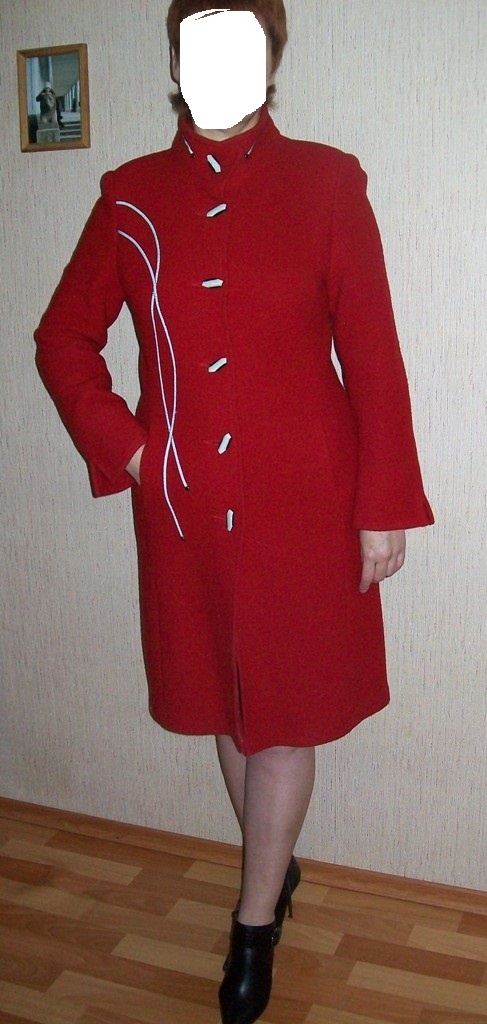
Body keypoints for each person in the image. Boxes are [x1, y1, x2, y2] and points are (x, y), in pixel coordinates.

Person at [34, 3, 434, 1022]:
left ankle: (254, 920)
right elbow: (62, 339)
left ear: (272, 60)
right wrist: (132, 449)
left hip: (309, 501)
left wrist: (382, 503)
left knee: (285, 715)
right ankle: (272, 864)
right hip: (183, 508)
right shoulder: (129, 196)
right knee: (223, 701)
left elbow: (373, 352)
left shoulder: (328, 183)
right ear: (175, 64)